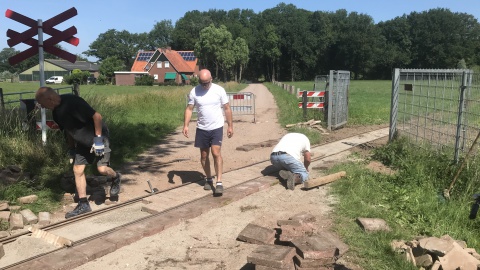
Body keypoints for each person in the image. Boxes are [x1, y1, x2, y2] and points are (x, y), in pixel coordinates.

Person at [35, 87, 121, 218]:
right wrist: (72, 149)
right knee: (78, 170)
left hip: (99, 137)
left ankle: (116, 177)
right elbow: (68, 131)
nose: (42, 107)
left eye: (42, 104)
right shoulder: (56, 113)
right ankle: (83, 204)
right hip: (82, 142)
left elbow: (97, 117)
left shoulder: (73, 102)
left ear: (50, 99)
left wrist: (98, 140)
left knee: (102, 169)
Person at [183, 69, 233, 195]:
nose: (205, 85)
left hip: (216, 126)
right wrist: (186, 125)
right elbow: (189, 109)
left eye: (207, 82)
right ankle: (209, 178)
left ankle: (219, 182)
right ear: (199, 81)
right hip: (202, 128)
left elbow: (227, 108)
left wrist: (230, 125)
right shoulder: (194, 91)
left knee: (216, 153)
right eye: (202, 83)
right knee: (204, 156)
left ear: (211, 79)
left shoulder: (219, 90)